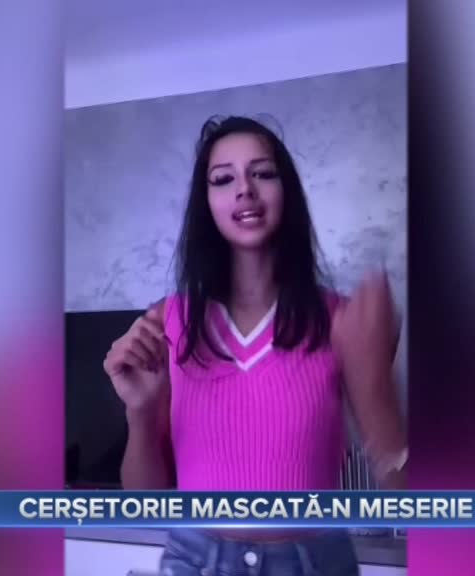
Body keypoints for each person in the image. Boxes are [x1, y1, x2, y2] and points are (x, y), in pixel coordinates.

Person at [103, 116, 407, 576]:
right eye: (223, 179)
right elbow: (145, 506)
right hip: (195, 562)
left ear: (287, 191)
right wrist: (141, 415)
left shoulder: (345, 320)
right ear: (206, 202)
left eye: (262, 173)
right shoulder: (169, 321)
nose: (244, 189)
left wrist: (376, 386)